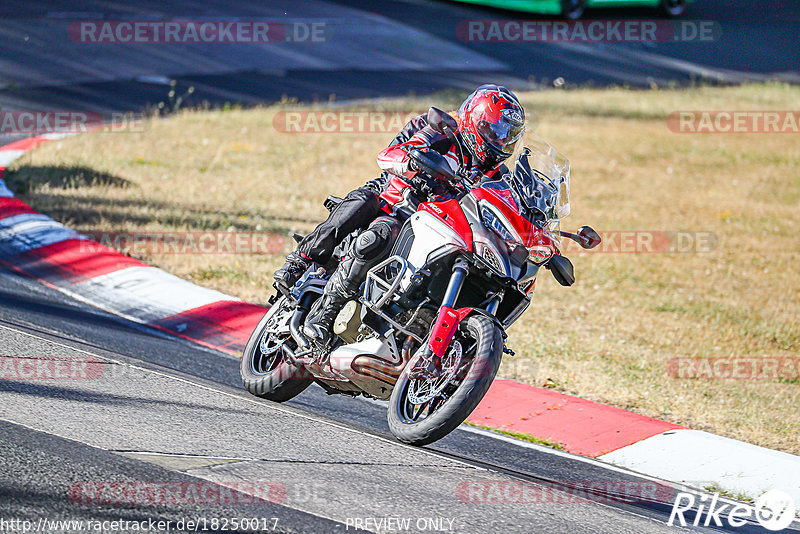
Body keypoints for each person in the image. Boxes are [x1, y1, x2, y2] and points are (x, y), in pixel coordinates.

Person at [273, 85, 526, 348]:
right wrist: (414, 163)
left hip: (442, 227)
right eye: (494, 130)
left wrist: (544, 231)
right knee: (379, 229)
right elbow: (390, 155)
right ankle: (315, 293)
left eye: (508, 135)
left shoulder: (496, 173)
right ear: (474, 120)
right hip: (394, 201)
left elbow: (512, 207)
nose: (499, 140)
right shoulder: (441, 130)